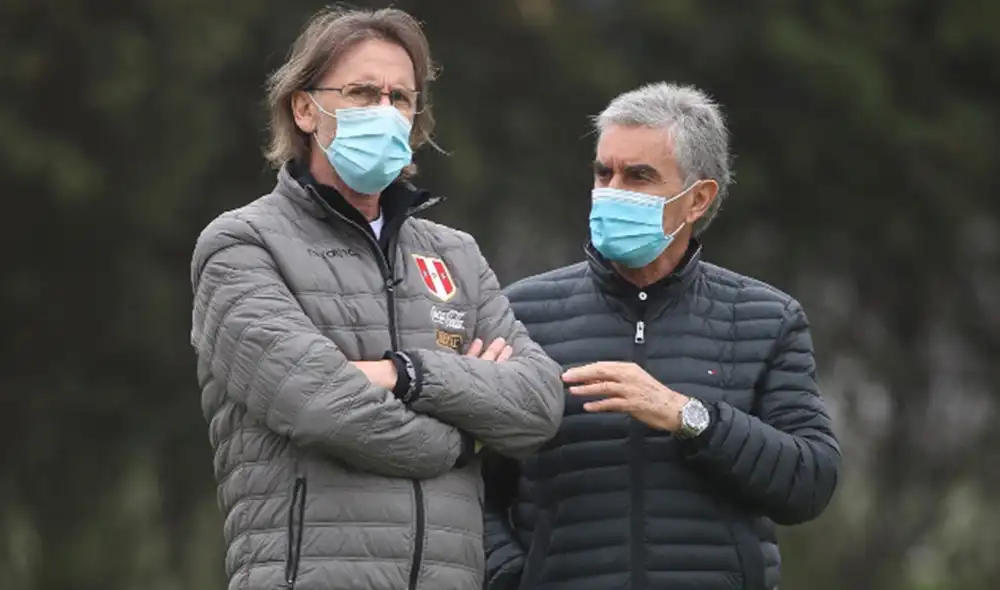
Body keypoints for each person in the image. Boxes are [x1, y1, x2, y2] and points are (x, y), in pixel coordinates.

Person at [189, 7, 565, 590]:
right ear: (304, 108)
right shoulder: (242, 245)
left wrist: (405, 375)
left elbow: (539, 404)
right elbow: (320, 404)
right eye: (363, 93)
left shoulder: (456, 255)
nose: (385, 112)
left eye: (401, 98)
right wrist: (466, 434)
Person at [482, 82, 841, 590]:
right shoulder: (522, 312)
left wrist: (688, 416)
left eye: (638, 176)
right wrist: (511, 576)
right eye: (603, 173)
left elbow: (810, 481)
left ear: (698, 199)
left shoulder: (767, 319)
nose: (612, 191)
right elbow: (472, 483)